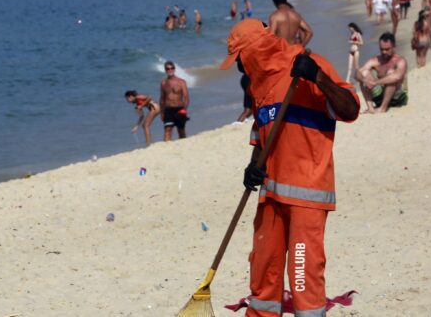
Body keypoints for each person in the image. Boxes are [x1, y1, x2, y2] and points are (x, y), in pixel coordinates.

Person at [218, 19, 359, 317]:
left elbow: (350, 109)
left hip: (306, 197)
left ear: (253, 51)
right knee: (263, 275)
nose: (240, 68)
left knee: (303, 277)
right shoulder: (259, 86)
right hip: (270, 196)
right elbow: (262, 138)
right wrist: (252, 168)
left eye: (240, 60)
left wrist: (318, 77)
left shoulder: (307, 65)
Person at [356, 32, 408, 113]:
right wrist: (364, 80)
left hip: (398, 98)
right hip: (381, 96)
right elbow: (357, 73)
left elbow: (397, 77)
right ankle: (370, 108)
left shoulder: (400, 61)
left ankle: (382, 109)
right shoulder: (375, 60)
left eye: (387, 49)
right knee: (364, 73)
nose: (384, 52)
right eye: (381, 49)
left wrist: (375, 82)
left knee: (391, 73)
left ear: (394, 47)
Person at [160, 61, 190, 141]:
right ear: (165, 70)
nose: (170, 70)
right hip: (168, 109)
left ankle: (183, 146)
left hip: (180, 108)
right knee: (168, 130)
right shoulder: (163, 83)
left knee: (181, 130)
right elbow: (162, 98)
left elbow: (186, 97)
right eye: (168, 68)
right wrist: (162, 112)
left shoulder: (181, 82)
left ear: (174, 69)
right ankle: (166, 148)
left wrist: (184, 109)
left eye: (171, 68)